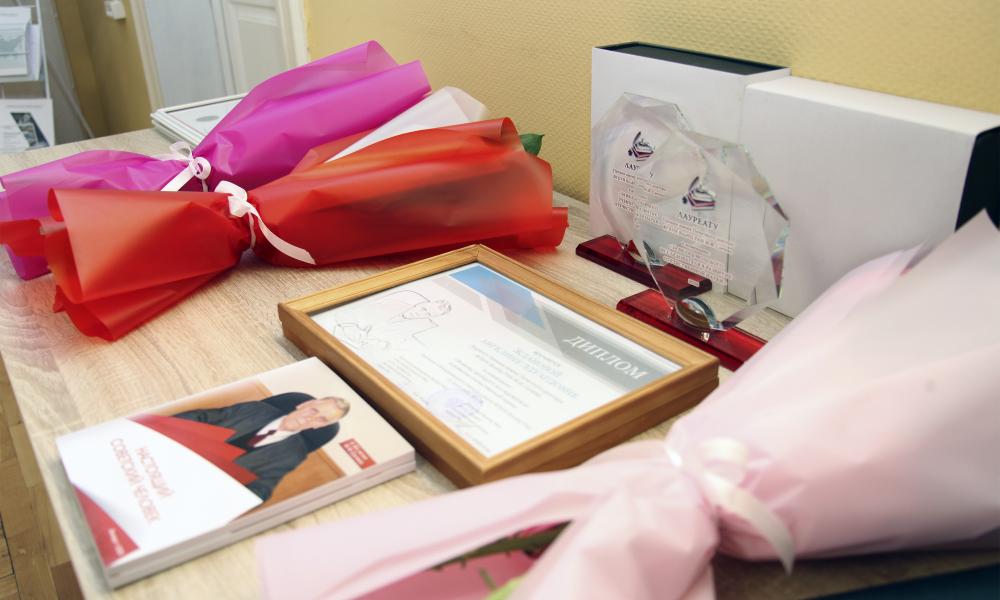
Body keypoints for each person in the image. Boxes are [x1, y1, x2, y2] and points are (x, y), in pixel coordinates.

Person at [173, 392, 350, 501]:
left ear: (320, 426)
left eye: (321, 419)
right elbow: (199, 417)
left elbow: (262, 489)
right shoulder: (255, 409)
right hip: (176, 454)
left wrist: (234, 497)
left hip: (201, 489)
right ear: (304, 404)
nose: (309, 419)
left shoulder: (293, 454)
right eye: (313, 410)